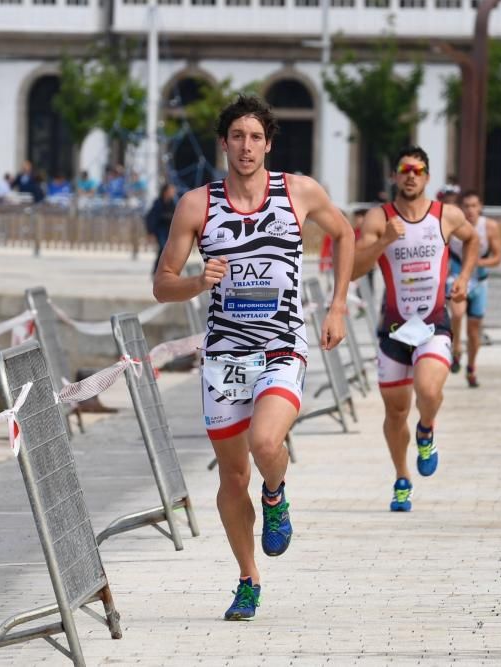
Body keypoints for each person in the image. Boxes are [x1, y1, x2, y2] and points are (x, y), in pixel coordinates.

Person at [152, 95, 355, 621]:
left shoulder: (297, 191)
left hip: (282, 345)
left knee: (266, 442)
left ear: (268, 143)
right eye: (237, 136)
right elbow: (162, 285)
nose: (246, 146)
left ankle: (277, 494)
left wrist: (337, 306)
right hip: (223, 358)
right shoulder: (198, 205)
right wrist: (199, 281)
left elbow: (345, 234)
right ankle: (247, 579)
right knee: (230, 478)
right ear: (224, 142)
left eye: (256, 137)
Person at [351, 146, 479, 513]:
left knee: (427, 389)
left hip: (433, 323)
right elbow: (356, 268)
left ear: (427, 176)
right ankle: (402, 478)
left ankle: (426, 429)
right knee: (394, 412)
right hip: (392, 328)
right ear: (395, 176)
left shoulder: (446, 215)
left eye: (418, 170)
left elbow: (472, 240)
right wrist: (385, 241)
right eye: (404, 169)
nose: (411, 176)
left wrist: (464, 277)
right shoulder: (379, 218)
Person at [448, 189, 501, 387]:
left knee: (473, 331)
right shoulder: (452, 225)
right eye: (466, 206)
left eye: (474, 206)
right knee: (456, 313)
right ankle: (455, 349)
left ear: (480, 207)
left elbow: (497, 258)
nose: (470, 210)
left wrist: (477, 262)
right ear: (460, 208)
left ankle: (471, 367)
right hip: (456, 276)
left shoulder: (489, 227)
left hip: (479, 281)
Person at [145, 183, 177, 273]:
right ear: (165, 191)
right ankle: (157, 270)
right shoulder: (158, 203)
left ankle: (165, 270)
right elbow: (151, 217)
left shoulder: (173, 203)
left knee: (169, 250)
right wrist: (150, 232)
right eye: (171, 191)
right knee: (163, 248)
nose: (173, 192)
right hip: (160, 230)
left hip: (169, 230)